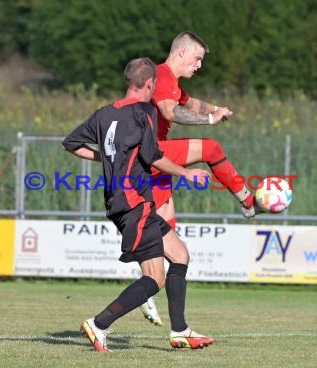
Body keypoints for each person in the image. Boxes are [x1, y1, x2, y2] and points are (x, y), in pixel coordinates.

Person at [62, 57, 214, 352]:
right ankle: (99, 324)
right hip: (134, 202)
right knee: (154, 278)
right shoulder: (144, 112)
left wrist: (105, 159)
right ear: (149, 84)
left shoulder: (105, 114)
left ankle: (180, 330)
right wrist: (187, 173)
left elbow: (71, 143)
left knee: (180, 255)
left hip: (128, 201)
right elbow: (153, 157)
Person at [139, 31, 263, 325]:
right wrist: (210, 120)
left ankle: (145, 289)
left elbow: (190, 103)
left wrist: (215, 110)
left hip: (155, 164)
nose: (199, 66)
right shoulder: (160, 75)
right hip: (150, 152)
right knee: (211, 147)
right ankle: (247, 201)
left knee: (164, 226)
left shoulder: (169, 80)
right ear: (181, 53)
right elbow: (173, 111)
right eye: (197, 59)